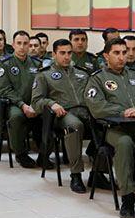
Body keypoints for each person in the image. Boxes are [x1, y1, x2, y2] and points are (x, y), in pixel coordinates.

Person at [84, 38, 135, 218]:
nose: (121, 57)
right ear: (106, 56)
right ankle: (128, 198)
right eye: (116, 53)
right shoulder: (97, 79)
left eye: (124, 53)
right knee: (125, 143)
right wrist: (123, 111)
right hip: (112, 129)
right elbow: (96, 107)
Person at [32, 39, 92, 193]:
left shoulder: (82, 73)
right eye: (62, 53)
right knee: (75, 126)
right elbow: (36, 102)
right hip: (63, 114)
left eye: (69, 53)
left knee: (106, 126)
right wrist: (51, 104)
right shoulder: (44, 74)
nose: (66, 57)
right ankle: (76, 175)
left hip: (85, 111)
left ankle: (99, 173)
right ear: (54, 54)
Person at [0, 30, 43, 168]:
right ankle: (20, 154)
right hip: (15, 104)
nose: (22, 47)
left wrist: (35, 104)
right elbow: (5, 89)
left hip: (35, 102)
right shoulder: (5, 63)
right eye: (19, 43)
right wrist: (22, 105)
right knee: (16, 117)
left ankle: (44, 154)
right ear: (13, 45)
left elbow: (42, 86)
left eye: (25, 43)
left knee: (47, 115)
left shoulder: (37, 63)